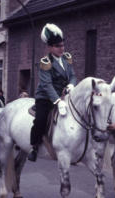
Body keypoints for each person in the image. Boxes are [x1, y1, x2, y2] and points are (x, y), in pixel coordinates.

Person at [28, 23, 77, 162]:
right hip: (46, 97)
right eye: (58, 46)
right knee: (41, 120)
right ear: (50, 48)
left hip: (63, 95)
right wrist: (57, 101)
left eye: (62, 45)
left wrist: (71, 85)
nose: (61, 48)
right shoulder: (45, 62)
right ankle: (34, 146)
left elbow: (73, 75)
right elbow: (47, 85)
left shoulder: (67, 58)